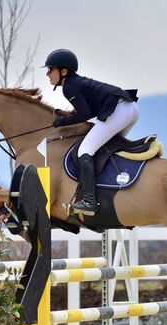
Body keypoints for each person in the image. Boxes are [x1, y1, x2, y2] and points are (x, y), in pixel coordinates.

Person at [44, 48, 139, 216]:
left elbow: (85, 114)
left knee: (85, 150)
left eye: (50, 69)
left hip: (119, 110)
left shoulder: (69, 87)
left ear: (63, 71)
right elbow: (88, 111)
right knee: (106, 148)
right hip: (130, 108)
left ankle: (89, 200)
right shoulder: (74, 83)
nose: (48, 74)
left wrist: (61, 122)